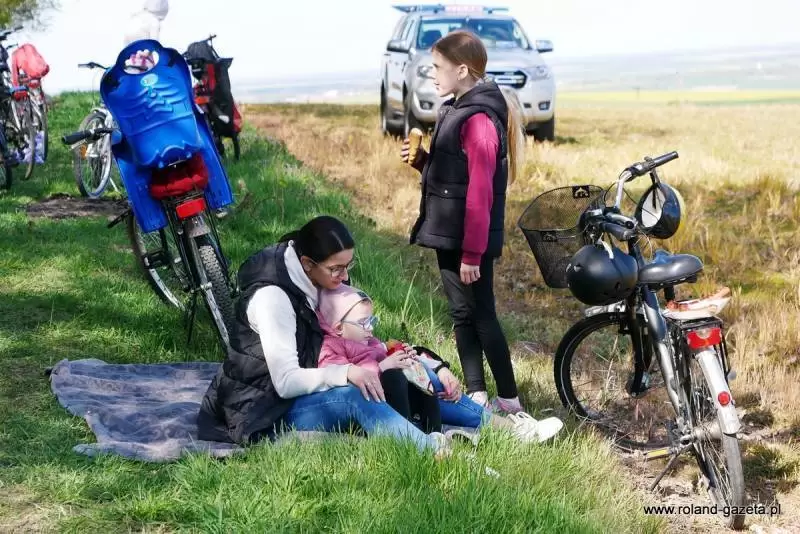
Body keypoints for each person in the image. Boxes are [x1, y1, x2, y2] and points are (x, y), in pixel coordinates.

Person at [198, 215, 562, 452]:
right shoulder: (274, 298)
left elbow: (360, 340)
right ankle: (433, 451)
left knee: (409, 373)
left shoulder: (312, 277)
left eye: (348, 266)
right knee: (357, 394)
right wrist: (347, 372)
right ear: (308, 264)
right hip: (264, 411)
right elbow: (284, 382)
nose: (344, 277)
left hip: (307, 382)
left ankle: (507, 429)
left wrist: (424, 363)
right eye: (336, 269)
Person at [401, 30, 533, 414]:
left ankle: (509, 401)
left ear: (461, 70)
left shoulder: (479, 123)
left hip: (468, 239)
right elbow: (453, 179)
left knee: (482, 315)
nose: (432, 75)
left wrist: (473, 254)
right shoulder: (454, 110)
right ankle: (477, 395)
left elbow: (480, 194)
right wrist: (422, 162)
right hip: (449, 232)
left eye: (438, 67)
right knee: (461, 314)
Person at [317, 284, 443, 433]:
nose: (370, 327)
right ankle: (406, 434)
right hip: (368, 405)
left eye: (371, 321)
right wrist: (382, 367)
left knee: (418, 374)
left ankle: (435, 432)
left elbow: (384, 355)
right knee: (393, 376)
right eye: (363, 322)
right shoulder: (329, 347)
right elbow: (341, 380)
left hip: (389, 397)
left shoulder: (370, 341)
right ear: (339, 328)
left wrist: (403, 356)